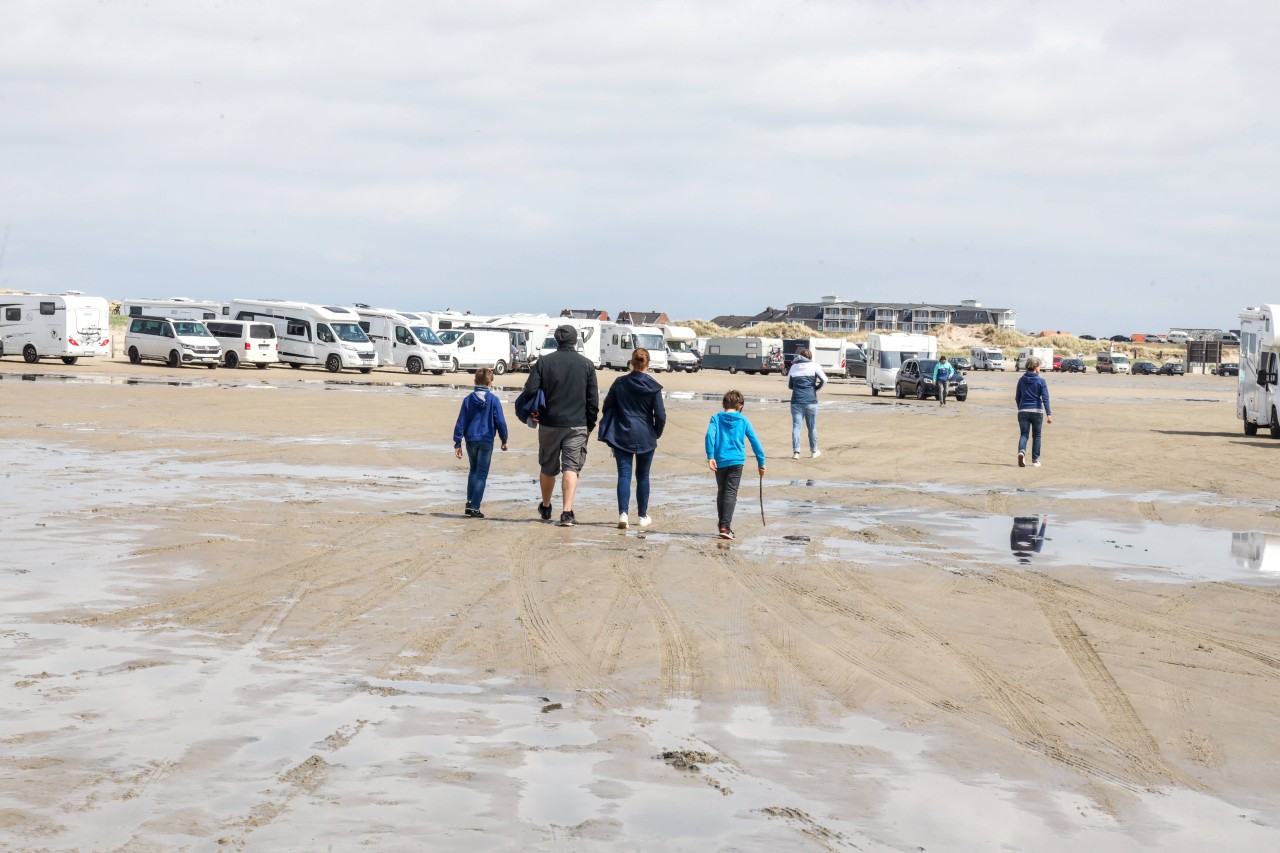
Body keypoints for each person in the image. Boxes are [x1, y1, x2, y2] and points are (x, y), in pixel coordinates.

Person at [518, 324, 599, 526]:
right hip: (577, 423)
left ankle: (546, 506)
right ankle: (567, 512)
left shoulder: (544, 362)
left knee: (548, 467)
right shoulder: (587, 365)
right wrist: (590, 423)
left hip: (550, 422)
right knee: (571, 467)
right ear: (575, 341)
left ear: (557, 340)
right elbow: (593, 400)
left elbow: (530, 389)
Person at [598, 347, 666, 530]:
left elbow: (607, 406)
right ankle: (642, 516)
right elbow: (660, 415)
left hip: (622, 432)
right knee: (643, 475)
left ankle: (623, 514)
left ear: (632, 362)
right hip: (646, 433)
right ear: (648, 364)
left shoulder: (620, 383)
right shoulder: (653, 386)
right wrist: (655, 433)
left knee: (624, 474)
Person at [705, 390, 766, 540]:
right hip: (736, 461)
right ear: (740, 406)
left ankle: (723, 526)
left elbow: (709, 436)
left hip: (719, 460)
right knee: (730, 492)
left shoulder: (716, 418)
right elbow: (754, 441)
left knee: (722, 491)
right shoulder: (743, 420)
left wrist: (710, 456)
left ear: (723, 404)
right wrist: (761, 461)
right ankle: (725, 527)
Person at [452, 367, 509, 519]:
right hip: (485, 440)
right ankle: (475, 507)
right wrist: (504, 439)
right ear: (491, 383)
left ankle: (470, 503)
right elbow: (500, 422)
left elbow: (461, 422)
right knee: (481, 474)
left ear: (475, 381)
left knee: (474, 470)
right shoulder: (493, 400)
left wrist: (457, 442)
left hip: (471, 439)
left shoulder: (468, 399)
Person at [786, 348, 827, 459]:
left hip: (796, 401)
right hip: (811, 400)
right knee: (812, 427)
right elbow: (825, 380)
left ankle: (796, 452)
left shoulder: (794, 367)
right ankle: (814, 451)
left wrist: (797, 387)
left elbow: (789, 385)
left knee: (796, 427)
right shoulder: (814, 366)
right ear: (810, 357)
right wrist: (815, 389)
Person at [1015, 357, 1052, 467]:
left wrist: (1020, 408)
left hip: (1023, 411)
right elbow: (1045, 398)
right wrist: (1049, 414)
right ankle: (1035, 460)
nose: (1040, 368)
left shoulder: (1021, 380)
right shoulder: (1041, 381)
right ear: (1036, 367)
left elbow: (1017, 397)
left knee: (1024, 434)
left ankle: (1022, 451)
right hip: (1036, 411)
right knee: (1036, 436)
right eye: (1039, 366)